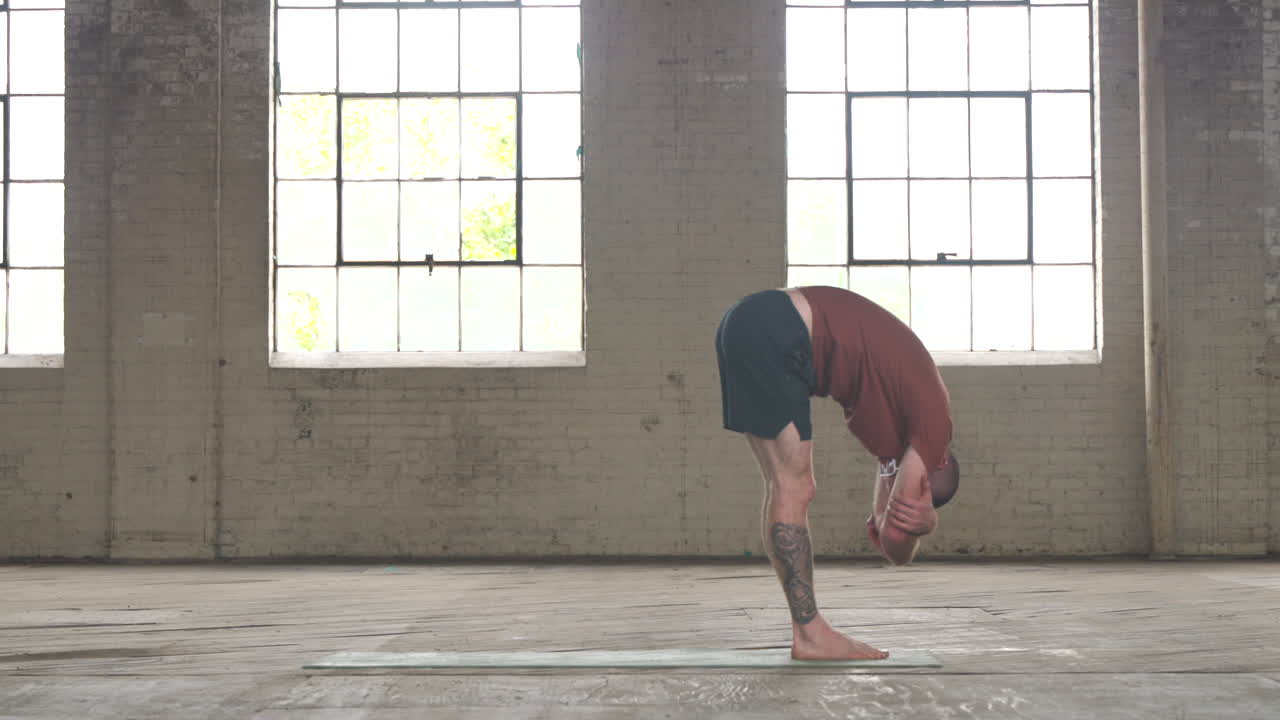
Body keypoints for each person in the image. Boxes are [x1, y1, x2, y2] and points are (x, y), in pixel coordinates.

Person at [714, 285, 960, 661]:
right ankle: (811, 635)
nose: (896, 481)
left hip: (752, 320)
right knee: (794, 486)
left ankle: (809, 633)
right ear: (938, 463)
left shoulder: (893, 435)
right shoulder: (935, 428)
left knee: (783, 484)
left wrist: (906, 523)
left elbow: (886, 531)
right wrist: (921, 525)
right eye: (917, 482)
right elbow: (895, 535)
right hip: (779, 327)